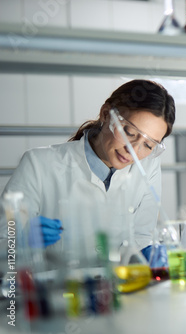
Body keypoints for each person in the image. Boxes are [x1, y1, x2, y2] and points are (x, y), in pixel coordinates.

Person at [0, 79, 176, 256]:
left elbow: (141, 237)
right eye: (129, 132)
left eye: (148, 145)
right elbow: (3, 241)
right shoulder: (38, 163)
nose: (133, 150)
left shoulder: (148, 167)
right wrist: (19, 242)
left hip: (121, 282)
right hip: (57, 283)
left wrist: (147, 256)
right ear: (106, 114)